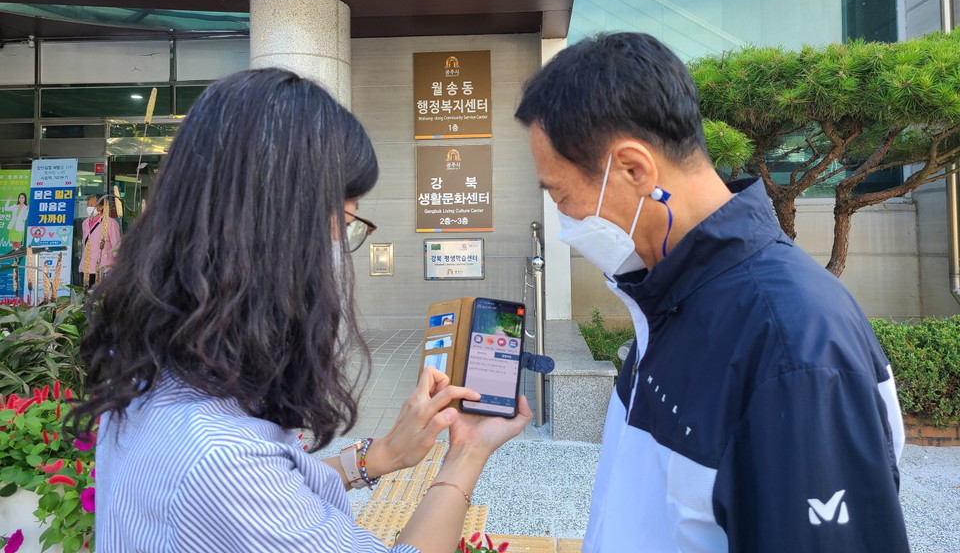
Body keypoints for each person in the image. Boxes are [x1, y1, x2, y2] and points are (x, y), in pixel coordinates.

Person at [69, 68, 531, 553]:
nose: (340, 252)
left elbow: (271, 484)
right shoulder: (220, 460)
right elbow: (244, 484)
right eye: (346, 222)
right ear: (276, 238)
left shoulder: (161, 378)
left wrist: (380, 458)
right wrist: (466, 456)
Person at [515, 32, 908, 552]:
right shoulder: (666, 298)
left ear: (634, 169)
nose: (563, 217)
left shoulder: (793, 347)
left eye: (562, 194)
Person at [79, 194, 122, 288]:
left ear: (101, 207)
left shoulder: (110, 223)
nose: (89, 207)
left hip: (104, 267)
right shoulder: (85, 223)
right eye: (88, 204)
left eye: (93, 204)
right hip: (87, 267)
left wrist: (115, 266)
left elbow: (117, 246)